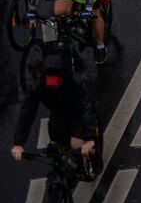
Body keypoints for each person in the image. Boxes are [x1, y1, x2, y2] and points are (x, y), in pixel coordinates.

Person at [10, 43, 100, 174]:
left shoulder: (78, 83)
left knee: (76, 145)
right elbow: (28, 111)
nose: (52, 86)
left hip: (77, 114)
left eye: (56, 82)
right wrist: (19, 142)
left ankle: (91, 160)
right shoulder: (39, 86)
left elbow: (87, 108)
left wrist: (89, 138)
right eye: (49, 82)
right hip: (58, 115)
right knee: (58, 148)